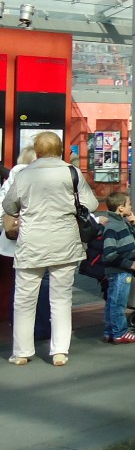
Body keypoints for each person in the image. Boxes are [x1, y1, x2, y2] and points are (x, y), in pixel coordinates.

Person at [2, 131, 96, 367]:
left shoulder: (24, 174)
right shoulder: (71, 172)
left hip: (32, 243)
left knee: (24, 299)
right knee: (61, 299)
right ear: (60, 149)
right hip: (65, 242)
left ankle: (22, 352)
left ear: (37, 150)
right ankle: (60, 351)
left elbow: (9, 206)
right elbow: (91, 204)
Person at [1, 146, 52, 342]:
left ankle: (19, 327)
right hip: (39, 241)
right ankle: (41, 327)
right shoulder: (39, 179)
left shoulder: (12, 179)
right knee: (44, 283)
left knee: (20, 286)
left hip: (14, 244)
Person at [97, 191, 135, 344]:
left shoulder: (121, 223)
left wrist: (134, 225)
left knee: (113, 302)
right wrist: (129, 264)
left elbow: (132, 239)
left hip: (120, 271)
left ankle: (110, 331)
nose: (131, 207)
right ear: (120, 208)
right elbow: (109, 254)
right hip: (119, 271)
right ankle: (120, 333)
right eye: (129, 204)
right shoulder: (113, 227)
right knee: (118, 303)